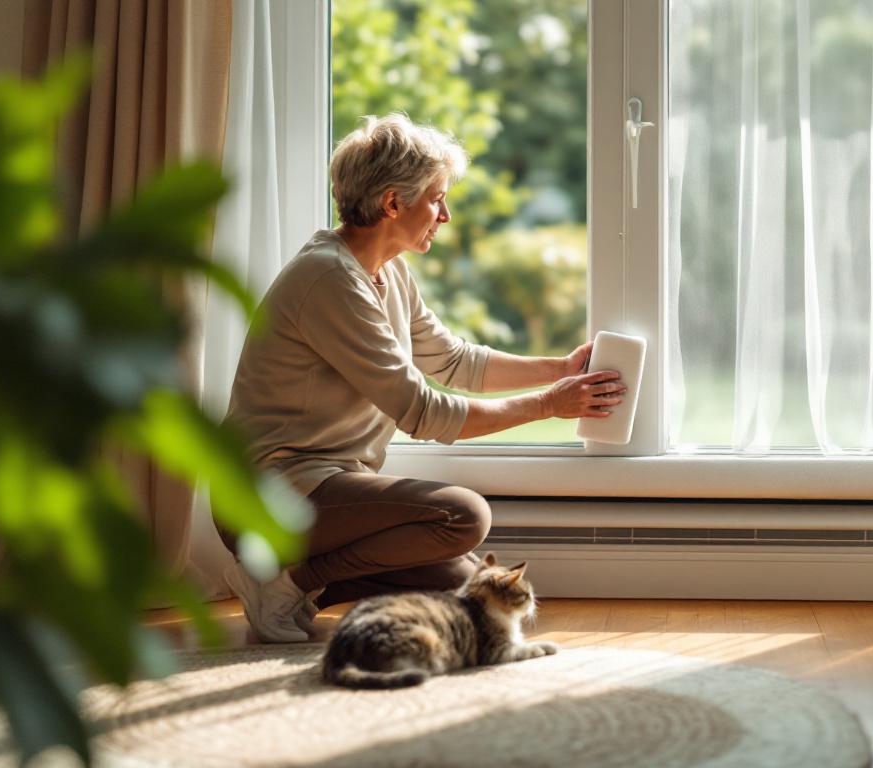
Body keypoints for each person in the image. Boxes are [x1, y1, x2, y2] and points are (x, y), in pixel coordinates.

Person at [219, 113, 624, 642]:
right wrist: (549, 404)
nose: (446, 215)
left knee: (463, 585)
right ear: (393, 203)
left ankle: (288, 580)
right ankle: (293, 581)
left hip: (329, 489)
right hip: (269, 493)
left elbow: (454, 361)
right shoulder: (328, 279)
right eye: (437, 199)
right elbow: (425, 412)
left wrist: (559, 370)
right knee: (464, 517)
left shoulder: (387, 272)